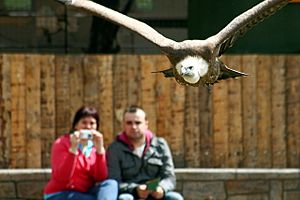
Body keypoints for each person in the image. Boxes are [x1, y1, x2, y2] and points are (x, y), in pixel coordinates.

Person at [107, 105, 184, 200]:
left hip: (156, 194)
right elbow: (114, 182)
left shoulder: (160, 145)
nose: (134, 127)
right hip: (130, 194)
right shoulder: (115, 149)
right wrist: (135, 189)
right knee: (124, 198)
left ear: (146, 124)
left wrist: (162, 189)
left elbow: (169, 177)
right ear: (123, 125)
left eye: (138, 123)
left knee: (175, 198)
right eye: (129, 123)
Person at [44, 106, 118, 200]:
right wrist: (73, 149)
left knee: (111, 184)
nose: (88, 126)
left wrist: (100, 151)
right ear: (76, 125)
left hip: (84, 192)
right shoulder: (62, 143)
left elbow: (100, 177)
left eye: (92, 123)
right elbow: (62, 177)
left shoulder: (93, 148)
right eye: (84, 123)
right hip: (61, 193)